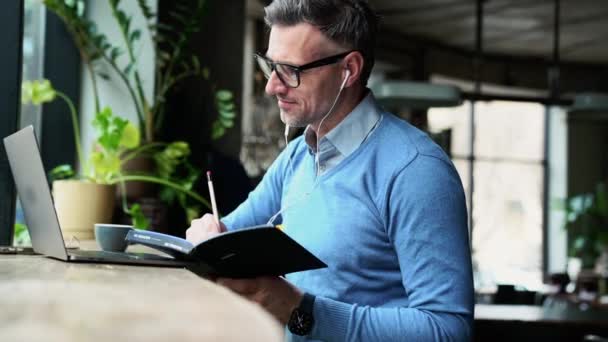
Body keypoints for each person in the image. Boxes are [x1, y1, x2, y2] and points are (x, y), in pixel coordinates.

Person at [186, 0, 474, 340]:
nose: (272, 86)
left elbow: (448, 331)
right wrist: (206, 235)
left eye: (290, 71)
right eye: (270, 66)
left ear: (349, 69)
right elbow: (227, 233)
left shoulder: (416, 171)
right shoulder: (297, 156)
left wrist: (299, 308)